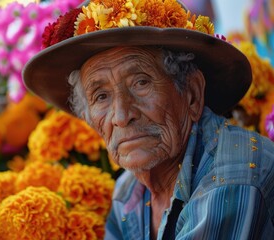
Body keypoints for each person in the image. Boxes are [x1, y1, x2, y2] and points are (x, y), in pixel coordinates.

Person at [23, 0, 274, 239]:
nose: (121, 116)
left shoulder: (233, 177)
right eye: (101, 96)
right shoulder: (129, 192)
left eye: (141, 82)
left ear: (192, 95)